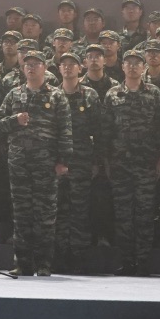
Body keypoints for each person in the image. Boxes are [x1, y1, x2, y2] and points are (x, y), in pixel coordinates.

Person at [0, 51, 72, 276]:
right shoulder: (14, 94)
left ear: (45, 68)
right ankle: (22, 263)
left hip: (46, 163)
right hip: (19, 162)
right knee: (21, 214)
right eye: (28, 64)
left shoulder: (56, 96)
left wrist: (63, 161)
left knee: (45, 215)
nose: (31, 67)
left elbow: (65, 130)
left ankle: (44, 263)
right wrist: (15, 120)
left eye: (36, 64)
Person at [105, 50, 160, 276]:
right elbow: (106, 130)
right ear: (122, 67)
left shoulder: (154, 93)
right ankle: (126, 261)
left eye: (137, 63)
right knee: (123, 214)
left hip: (146, 162)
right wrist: (106, 161)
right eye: (128, 63)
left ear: (144, 67)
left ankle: (143, 262)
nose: (132, 67)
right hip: (120, 163)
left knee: (145, 213)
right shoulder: (112, 94)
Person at [54, 51, 104, 272]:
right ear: (59, 69)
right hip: (57, 160)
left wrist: (96, 161)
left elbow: (98, 130)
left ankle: (78, 257)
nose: (67, 67)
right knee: (58, 208)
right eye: (64, 64)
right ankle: (59, 255)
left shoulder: (89, 95)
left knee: (80, 210)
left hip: (82, 160)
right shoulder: (52, 94)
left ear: (80, 68)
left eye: (72, 64)